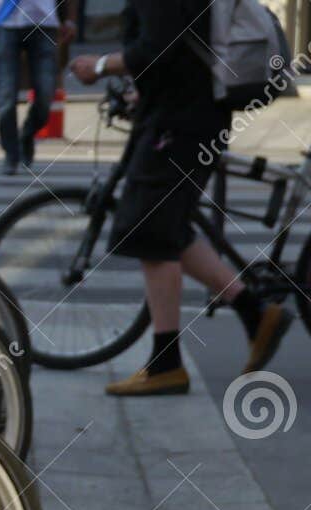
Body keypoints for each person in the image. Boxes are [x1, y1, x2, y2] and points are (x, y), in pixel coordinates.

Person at [69, 1, 290, 396]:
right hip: (185, 114)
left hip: (180, 122)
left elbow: (157, 47)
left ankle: (167, 364)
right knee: (166, 226)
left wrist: (100, 66)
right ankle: (254, 312)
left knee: (150, 229)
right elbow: (180, 45)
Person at [0, 0, 77, 176]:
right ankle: (11, 153)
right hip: (7, 24)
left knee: (46, 93)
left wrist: (71, 20)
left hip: (44, 24)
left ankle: (27, 133)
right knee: (6, 95)